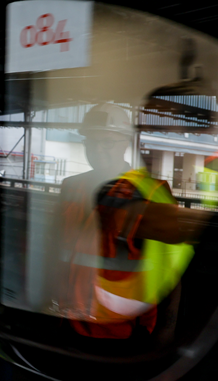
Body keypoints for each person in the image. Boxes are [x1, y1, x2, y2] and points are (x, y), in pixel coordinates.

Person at [57, 103, 203, 341]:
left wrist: (166, 331)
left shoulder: (151, 191)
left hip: (124, 330)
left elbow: (174, 272)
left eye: (107, 142)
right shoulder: (71, 187)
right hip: (69, 320)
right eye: (91, 142)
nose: (98, 150)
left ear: (125, 143)